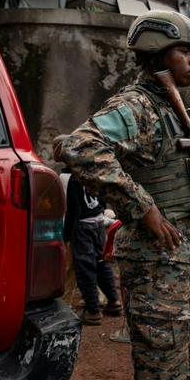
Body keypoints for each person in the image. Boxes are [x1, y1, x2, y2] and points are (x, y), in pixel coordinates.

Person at [59, 10, 190, 380]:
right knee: (162, 364)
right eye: (184, 51)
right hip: (155, 259)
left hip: (181, 253)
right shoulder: (138, 105)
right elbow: (81, 147)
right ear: (157, 52)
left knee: (186, 346)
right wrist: (143, 207)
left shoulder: (170, 106)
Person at [53, 135, 122, 324]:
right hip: (97, 223)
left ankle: (93, 311)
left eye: (55, 148)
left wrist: (66, 235)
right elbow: (102, 197)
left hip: (81, 227)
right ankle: (114, 301)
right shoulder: (90, 171)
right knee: (101, 263)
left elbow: (72, 211)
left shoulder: (67, 177)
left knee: (85, 269)